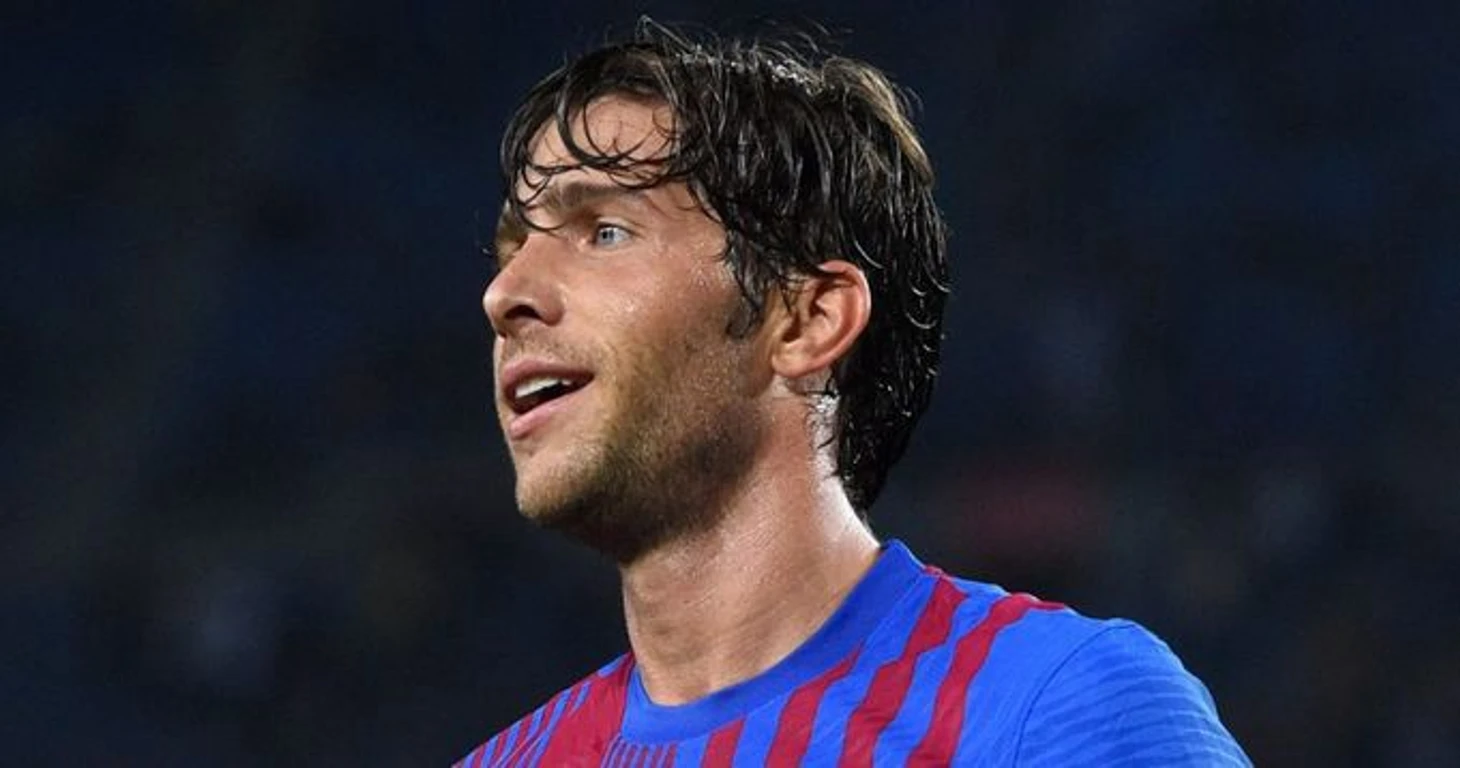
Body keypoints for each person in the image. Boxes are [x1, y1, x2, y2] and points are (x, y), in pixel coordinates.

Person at [458, 18, 1249, 767]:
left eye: (605, 232)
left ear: (808, 320)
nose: (505, 294)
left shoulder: (1058, 708)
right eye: (513, 249)